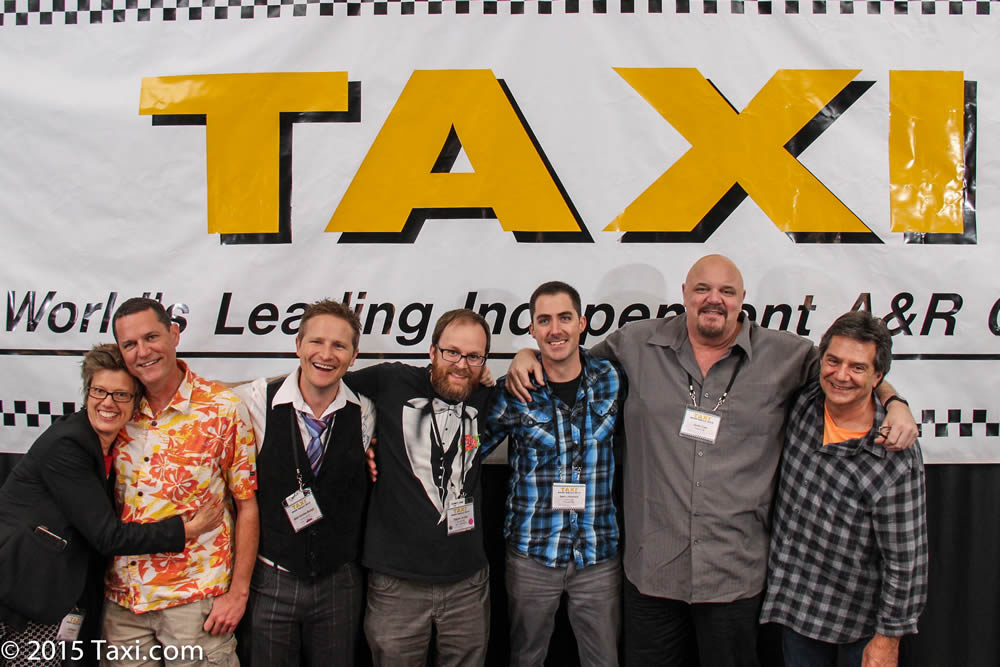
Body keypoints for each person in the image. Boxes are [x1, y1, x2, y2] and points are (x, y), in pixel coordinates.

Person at [504, 255, 919, 667]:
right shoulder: (636, 342)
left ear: (743, 299)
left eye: (726, 291)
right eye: (702, 289)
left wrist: (893, 400)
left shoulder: (785, 355)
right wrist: (527, 355)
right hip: (653, 570)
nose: (713, 299)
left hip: (733, 574)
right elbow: (569, 361)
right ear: (684, 294)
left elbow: (846, 371)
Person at [0, 344, 222, 665]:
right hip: (23, 594)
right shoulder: (69, 444)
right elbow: (108, 536)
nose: (108, 402)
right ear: (86, 392)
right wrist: (187, 530)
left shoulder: (110, 445)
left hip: (56, 594)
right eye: (99, 391)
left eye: (121, 395)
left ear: (136, 402)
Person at [760, 311, 928, 667]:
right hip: (796, 608)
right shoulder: (806, 402)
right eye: (833, 361)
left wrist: (887, 640)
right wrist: (895, 399)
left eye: (857, 367)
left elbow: (907, 561)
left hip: (859, 623)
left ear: (877, 375)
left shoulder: (893, 452)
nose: (840, 375)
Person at [102, 298, 258, 666]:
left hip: (196, 604)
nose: (143, 352)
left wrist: (238, 593)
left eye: (152, 337)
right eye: (130, 344)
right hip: (123, 604)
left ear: (174, 334)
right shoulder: (116, 408)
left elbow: (247, 505)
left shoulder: (222, 408)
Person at [345, 308, 498, 667]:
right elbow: (321, 387)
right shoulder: (391, 380)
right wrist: (359, 445)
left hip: (467, 583)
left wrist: (522, 356)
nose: (461, 365)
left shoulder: (485, 394)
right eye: (452, 352)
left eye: (473, 356)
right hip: (397, 585)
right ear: (432, 352)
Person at [485, 281, 625, 667]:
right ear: (531, 329)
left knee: (604, 660)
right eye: (543, 320)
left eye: (564, 318)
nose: (555, 329)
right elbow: (467, 446)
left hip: (598, 554)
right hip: (532, 553)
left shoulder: (613, 379)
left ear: (582, 323)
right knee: (526, 658)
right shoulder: (513, 389)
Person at [235, 299, 375, 666]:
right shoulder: (254, 401)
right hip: (272, 580)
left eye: (339, 345)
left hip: (339, 584)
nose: (326, 354)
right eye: (316, 342)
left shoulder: (366, 412)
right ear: (298, 346)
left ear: (353, 355)